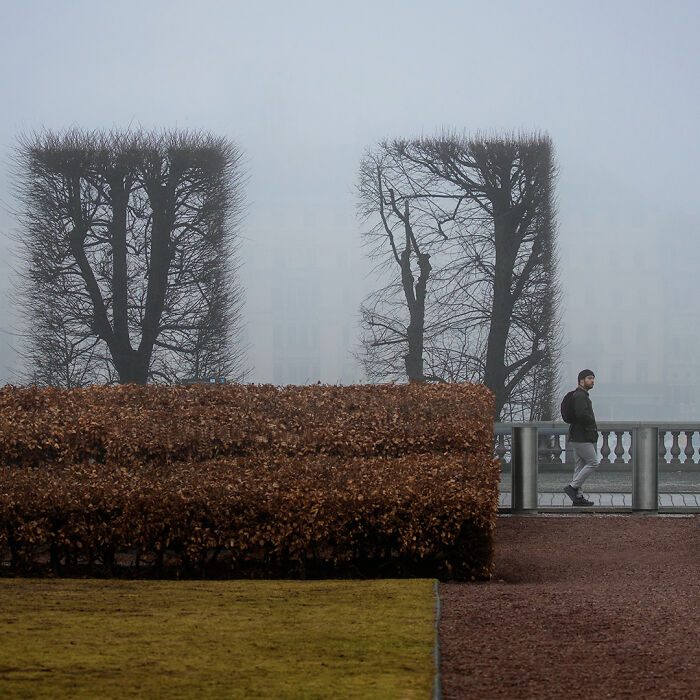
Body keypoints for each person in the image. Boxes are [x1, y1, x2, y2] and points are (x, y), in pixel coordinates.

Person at [564, 370, 598, 506]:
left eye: (593, 378)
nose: (592, 381)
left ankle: (578, 497)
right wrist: (591, 423)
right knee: (593, 462)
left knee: (580, 466)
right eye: (589, 378)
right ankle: (572, 487)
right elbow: (581, 414)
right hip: (581, 436)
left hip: (577, 435)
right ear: (581, 381)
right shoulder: (580, 396)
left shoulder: (581, 395)